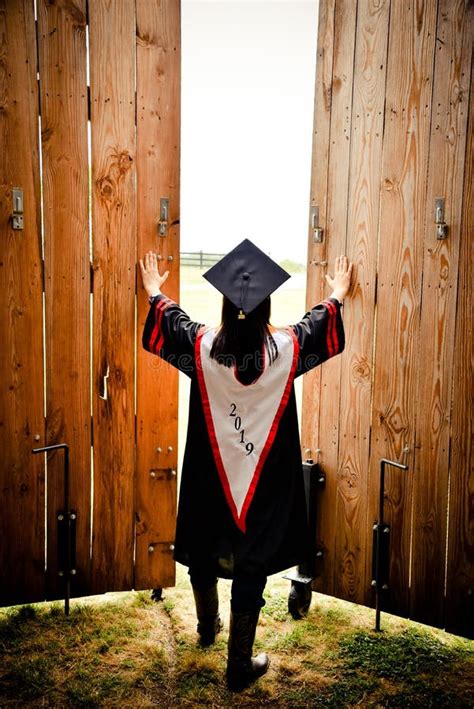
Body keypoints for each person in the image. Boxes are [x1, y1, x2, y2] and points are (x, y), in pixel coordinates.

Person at [139, 239, 352, 691]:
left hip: (211, 476)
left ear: (223, 306)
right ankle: (238, 666)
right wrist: (336, 294)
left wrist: (155, 292)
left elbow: (170, 326)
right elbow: (318, 328)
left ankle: (205, 626)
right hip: (264, 483)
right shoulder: (285, 350)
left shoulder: (202, 349)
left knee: (204, 536)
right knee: (251, 558)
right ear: (265, 307)